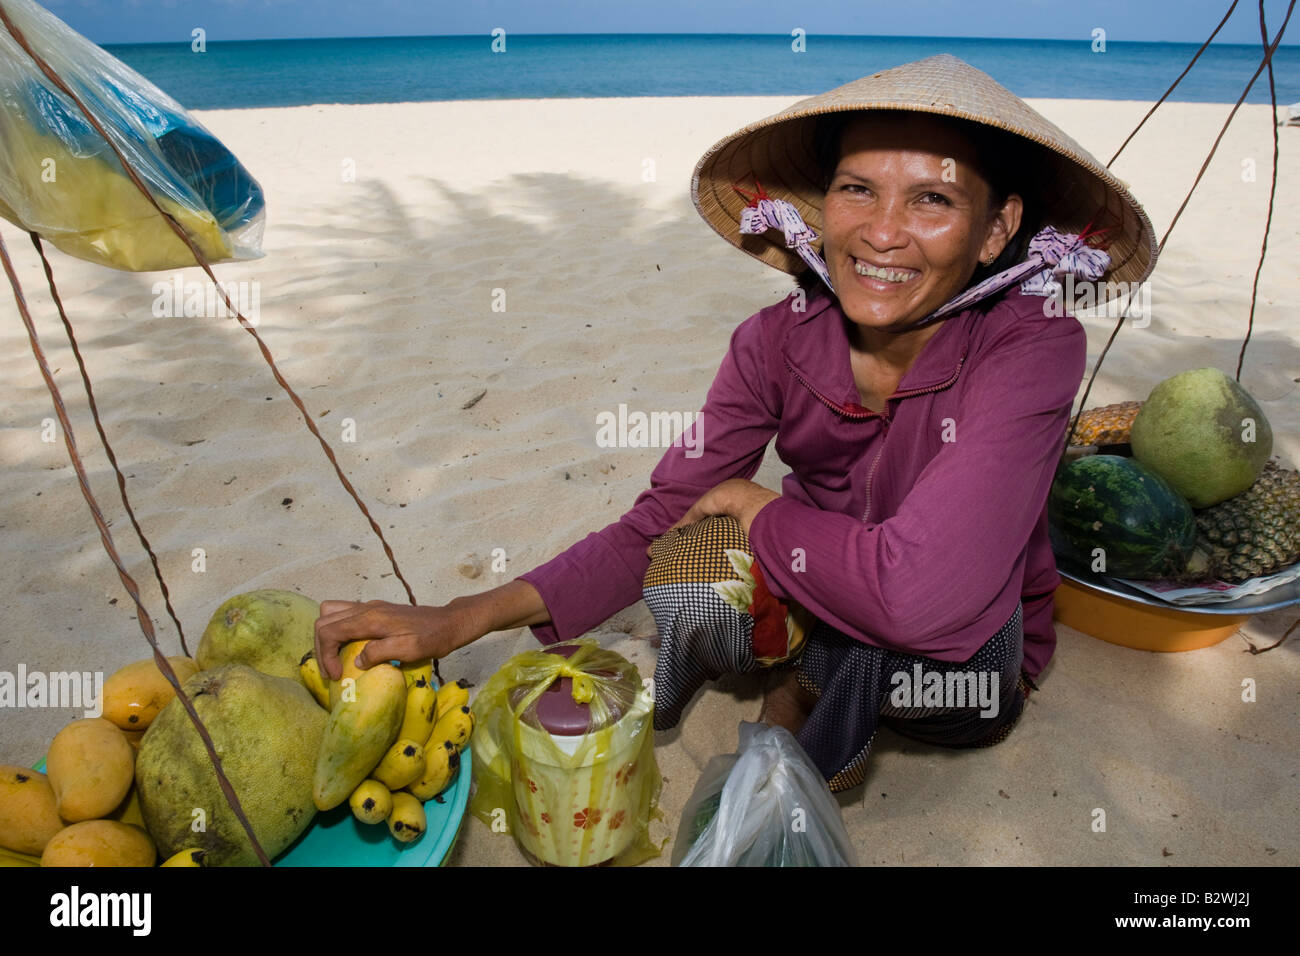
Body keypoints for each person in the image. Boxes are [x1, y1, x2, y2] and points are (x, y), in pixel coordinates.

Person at [314, 54, 1157, 792]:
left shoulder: (1033, 346)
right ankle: (809, 668)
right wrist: (462, 616)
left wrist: (759, 510)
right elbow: (659, 517)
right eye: (857, 188)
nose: (883, 232)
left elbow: (923, 598)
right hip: (826, 575)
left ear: (995, 230)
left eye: (932, 198)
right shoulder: (772, 343)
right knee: (687, 563)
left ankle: (811, 691)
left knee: (926, 655)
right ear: (823, 205)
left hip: (959, 655)